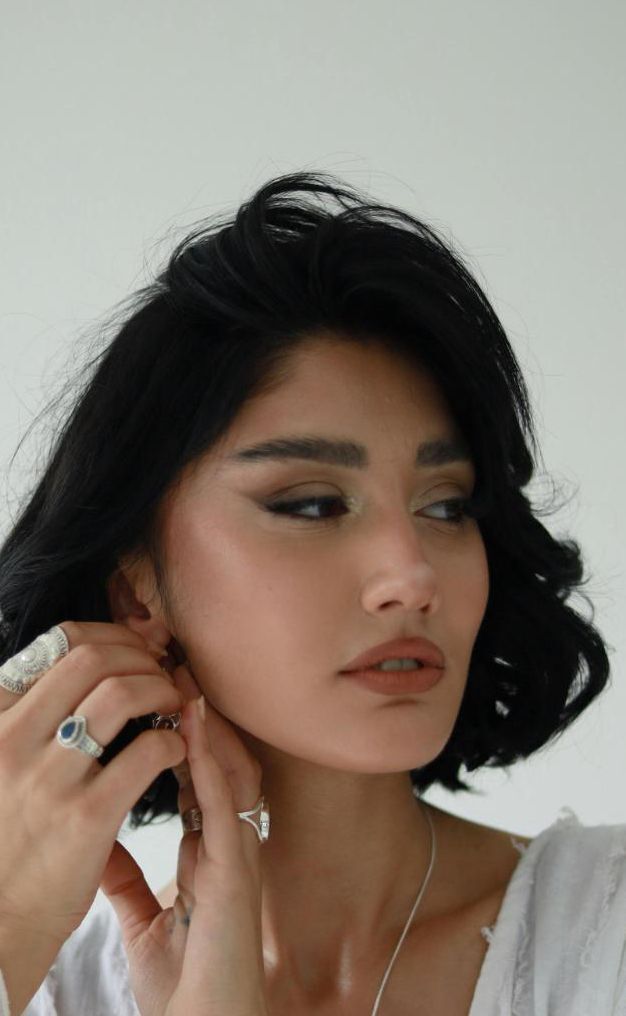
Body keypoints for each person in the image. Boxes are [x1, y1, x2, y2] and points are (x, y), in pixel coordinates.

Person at [0, 170, 623, 1016]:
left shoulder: (605, 938)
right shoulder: (47, 984)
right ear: (138, 597)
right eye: (313, 505)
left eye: (446, 506)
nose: (411, 576)